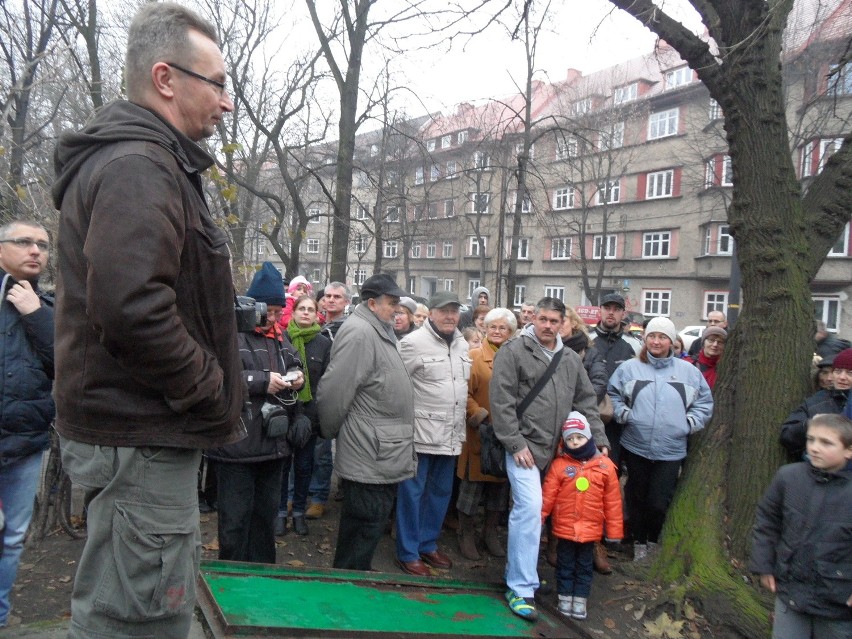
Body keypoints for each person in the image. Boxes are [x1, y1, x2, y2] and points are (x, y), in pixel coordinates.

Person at [51, 4, 243, 636]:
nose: (226, 101)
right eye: (216, 83)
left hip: (140, 434)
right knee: (134, 624)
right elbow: (131, 308)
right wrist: (207, 388)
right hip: (142, 436)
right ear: (166, 79)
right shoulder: (139, 166)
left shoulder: (148, 161)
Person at [490, 297, 608, 621]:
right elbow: (500, 402)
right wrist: (515, 444)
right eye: (542, 319)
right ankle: (521, 586)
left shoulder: (569, 358)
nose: (547, 326)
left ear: (562, 323)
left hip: (558, 451)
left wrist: (599, 440)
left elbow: (585, 400)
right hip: (524, 447)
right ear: (534, 319)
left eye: (554, 321)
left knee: (547, 514)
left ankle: (524, 572)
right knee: (528, 509)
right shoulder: (513, 351)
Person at [317, 273, 415, 570]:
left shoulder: (377, 329)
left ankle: (355, 583)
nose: (397, 309)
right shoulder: (360, 333)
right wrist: (330, 431)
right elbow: (334, 391)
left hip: (381, 450)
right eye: (392, 303)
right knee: (360, 530)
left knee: (367, 530)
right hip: (369, 451)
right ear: (372, 303)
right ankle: (347, 595)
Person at [206, 263, 304, 561]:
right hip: (238, 445)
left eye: (278, 311)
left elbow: (294, 361)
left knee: (264, 518)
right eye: (269, 311)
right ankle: (232, 575)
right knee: (235, 519)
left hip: (273, 445)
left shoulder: (280, 337)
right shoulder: (231, 334)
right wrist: (263, 382)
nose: (273, 317)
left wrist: (296, 375)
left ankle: (263, 573)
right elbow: (220, 377)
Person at [608, 317, 713, 562]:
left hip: (671, 449)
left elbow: (704, 404)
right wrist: (625, 415)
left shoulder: (688, 372)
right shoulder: (629, 368)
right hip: (636, 445)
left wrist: (688, 424)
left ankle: (654, 541)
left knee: (658, 501)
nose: (656, 341)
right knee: (636, 496)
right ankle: (639, 542)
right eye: (652, 336)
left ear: (671, 341)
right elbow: (613, 394)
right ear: (645, 339)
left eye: (662, 337)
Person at [750, 413, 852, 639]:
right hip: (791, 592)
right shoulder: (789, 477)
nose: (815, 448)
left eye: (826, 442)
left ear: (848, 450)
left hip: (838, 603)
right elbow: (767, 521)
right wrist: (764, 565)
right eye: (811, 439)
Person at [0, 220, 54, 629]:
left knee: (13, 538)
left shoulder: (48, 308)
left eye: (42, 245)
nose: (35, 250)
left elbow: (65, 366)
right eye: (24, 242)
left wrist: (34, 314)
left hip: (26, 443)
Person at [395, 291, 469, 576]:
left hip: (451, 433)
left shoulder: (463, 344)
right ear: (432, 313)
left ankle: (427, 543)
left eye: (454, 310)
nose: (450, 316)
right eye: (444, 310)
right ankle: (408, 551)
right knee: (412, 493)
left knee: (440, 493)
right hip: (420, 433)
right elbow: (397, 386)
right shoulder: (412, 343)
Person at [541, 412, 623, 621]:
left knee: (585, 567)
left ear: (588, 437)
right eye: (570, 438)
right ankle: (564, 596)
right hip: (565, 528)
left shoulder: (605, 467)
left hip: (590, 531)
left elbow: (613, 503)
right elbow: (547, 496)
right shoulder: (560, 465)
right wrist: (539, 519)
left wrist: (614, 533)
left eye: (579, 437)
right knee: (565, 564)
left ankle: (580, 598)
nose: (575, 442)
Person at [457, 308, 515, 561]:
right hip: (480, 433)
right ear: (485, 329)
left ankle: (490, 533)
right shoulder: (474, 357)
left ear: (511, 332)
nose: (497, 331)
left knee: (499, 489)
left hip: (507, 434)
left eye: (503, 328)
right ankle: (465, 533)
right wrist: (477, 413)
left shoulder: (517, 358)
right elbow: (463, 391)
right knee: (472, 486)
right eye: (493, 327)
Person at [557, 304, 610, 572]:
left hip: (580, 429)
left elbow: (598, 384)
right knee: (556, 486)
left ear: (573, 323)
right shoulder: (546, 348)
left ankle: (594, 543)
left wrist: (575, 414)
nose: (557, 325)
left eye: (562, 320)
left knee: (587, 488)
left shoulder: (588, 352)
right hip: (553, 428)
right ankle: (555, 540)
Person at [281, 294, 331, 535]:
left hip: (309, 416)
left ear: (316, 314)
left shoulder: (323, 343)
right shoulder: (283, 339)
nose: (306, 313)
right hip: (284, 413)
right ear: (293, 312)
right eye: (302, 308)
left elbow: (325, 382)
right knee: (282, 466)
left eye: (311, 309)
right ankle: (281, 511)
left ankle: (299, 511)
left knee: (303, 466)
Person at [306, 281, 351, 520]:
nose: (330, 300)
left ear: (346, 302)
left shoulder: (348, 328)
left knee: (323, 449)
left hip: (334, 394)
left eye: (337, 297)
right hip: (311, 392)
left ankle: (319, 496)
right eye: (327, 296)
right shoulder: (315, 325)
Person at [588, 293, 641, 469]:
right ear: (600, 310)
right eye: (607, 308)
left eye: (616, 309)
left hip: (619, 419)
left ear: (623, 314)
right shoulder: (587, 340)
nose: (611, 313)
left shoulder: (634, 345)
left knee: (613, 466)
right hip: (590, 413)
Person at [780, 348, 851, 462]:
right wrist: (810, 424)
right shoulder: (816, 402)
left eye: (849, 373)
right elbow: (787, 436)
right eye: (838, 371)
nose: (842, 377)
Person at [692, 325, 727, 390]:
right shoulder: (690, 364)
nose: (715, 345)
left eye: (720, 342)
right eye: (711, 340)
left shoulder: (727, 368)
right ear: (703, 343)